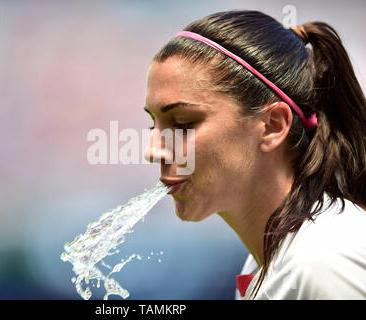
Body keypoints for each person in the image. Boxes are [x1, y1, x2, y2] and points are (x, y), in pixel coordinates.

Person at [143, 10, 366, 299]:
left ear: (273, 126)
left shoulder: (322, 263)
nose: (152, 150)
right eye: (153, 122)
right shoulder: (268, 262)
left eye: (183, 124)